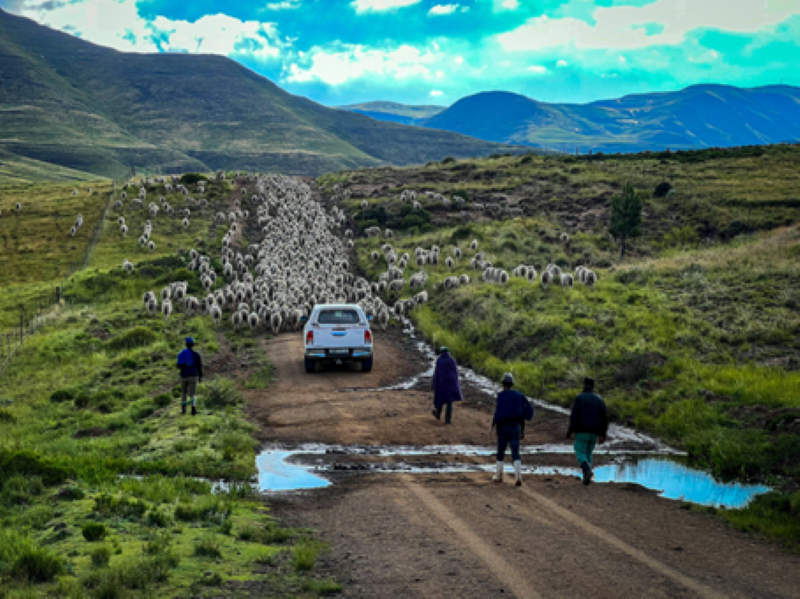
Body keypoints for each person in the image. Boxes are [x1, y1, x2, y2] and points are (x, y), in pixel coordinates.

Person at [491, 373, 534, 486]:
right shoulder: (518, 396)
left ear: (503, 384)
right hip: (516, 427)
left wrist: (497, 428)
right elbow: (523, 415)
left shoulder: (501, 396)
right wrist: (522, 430)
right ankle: (518, 477)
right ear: (512, 384)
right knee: (516, 452)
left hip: (503, 427)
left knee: (501, 451)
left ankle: (499, 475)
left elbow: (498, 414)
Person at [566, 377, 609, 485]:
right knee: (589, 452)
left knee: (579, 450)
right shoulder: (599, 399)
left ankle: (586, 469)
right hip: (594, 432)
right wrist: (603, 434)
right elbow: (605, 418)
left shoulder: (579, 398)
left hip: (582, 431)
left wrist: (571, 430)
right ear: (593, 387)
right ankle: (587, 477)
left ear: (584, 386)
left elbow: (574, 416)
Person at [431, 347, 462, 424]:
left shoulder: (439, 360)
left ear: (441, 353)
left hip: (442, 383)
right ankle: (448, 420)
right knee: (449, 401)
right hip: (451, 383)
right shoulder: (452, 360)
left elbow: (437, 373)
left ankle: (438, 414)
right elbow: (455, 373)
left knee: (440, 398)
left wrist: (435, 383)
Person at [177, 337, 203, 415]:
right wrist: (200, 377)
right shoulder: (197, 355)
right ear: (193, 345)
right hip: (193, 375)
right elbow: (199, 367)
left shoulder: (182, 354)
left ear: (186, 344)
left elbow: (178, 366)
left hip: (184, 376)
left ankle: (183, 410)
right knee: (193, 394)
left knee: (183, 393)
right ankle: (193, 409)